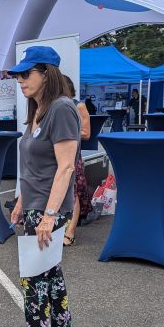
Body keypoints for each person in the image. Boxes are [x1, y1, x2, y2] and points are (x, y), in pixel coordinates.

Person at [0, 46, 79, 327]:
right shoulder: (39, 110)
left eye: (26, 74)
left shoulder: (61, 108)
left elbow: (65, 168)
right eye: (18, 74)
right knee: (51, 275)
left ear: (47, 73)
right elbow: (33, 165)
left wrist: (48, 215)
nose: (20, 80)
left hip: (47, 211)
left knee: (34, 282)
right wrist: (20, 199)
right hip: (35, 207)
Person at [62, 76, 92, 246]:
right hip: (55, 157)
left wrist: (63, 132)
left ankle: (71, 231)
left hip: (72, 156)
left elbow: (86, 133)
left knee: (73, 194)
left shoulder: (78, 105)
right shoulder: (53, 106)